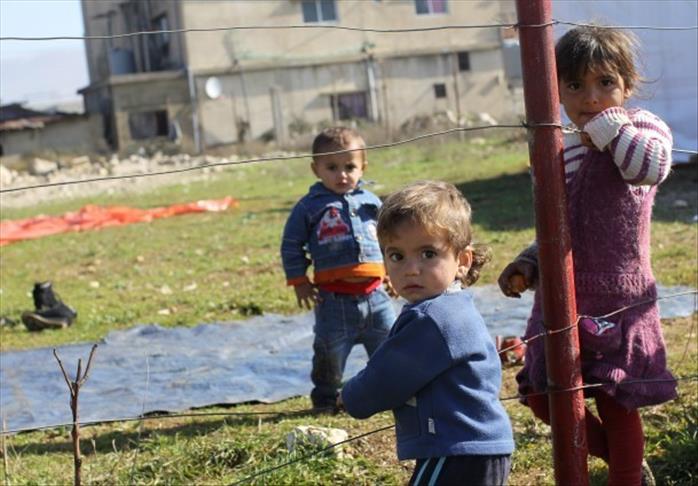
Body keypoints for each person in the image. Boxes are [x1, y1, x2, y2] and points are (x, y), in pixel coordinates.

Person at [498, 25, 676, 485]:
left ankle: (626, 476)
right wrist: (529, 261)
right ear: (556, 91)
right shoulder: (559, 149)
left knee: (616, 401)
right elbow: (559, 226)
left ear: (627, 86)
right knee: (545, 395)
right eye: (575, 85)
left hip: (619, 299)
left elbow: (649, 168)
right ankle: (623, 461)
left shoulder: (642, 127)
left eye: (605, 83)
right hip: (562, 298)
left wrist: (609, 128)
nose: (591, 97)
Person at [340, 181, 514, 486]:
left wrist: (349, 396)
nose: (411, 269)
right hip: (477, 447)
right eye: (397, 256)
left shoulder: (432, 318)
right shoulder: (454, 306)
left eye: (428, 253)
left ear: (462, 261)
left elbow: (386, 378)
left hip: (456, 451)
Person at [280, 126, 396, 411]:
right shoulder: (309, 207)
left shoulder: (372, 202)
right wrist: (299, 281)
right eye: (331, 167)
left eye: (349, 167)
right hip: (333, 303)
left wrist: (392, 273)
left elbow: (390, 242)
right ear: (315, 169)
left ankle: (390, 393)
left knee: (390, 349)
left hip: (377, 297)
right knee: (329, 355)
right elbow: (291, 244)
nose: (341, 174)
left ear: (363, 167)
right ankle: (326, 398)